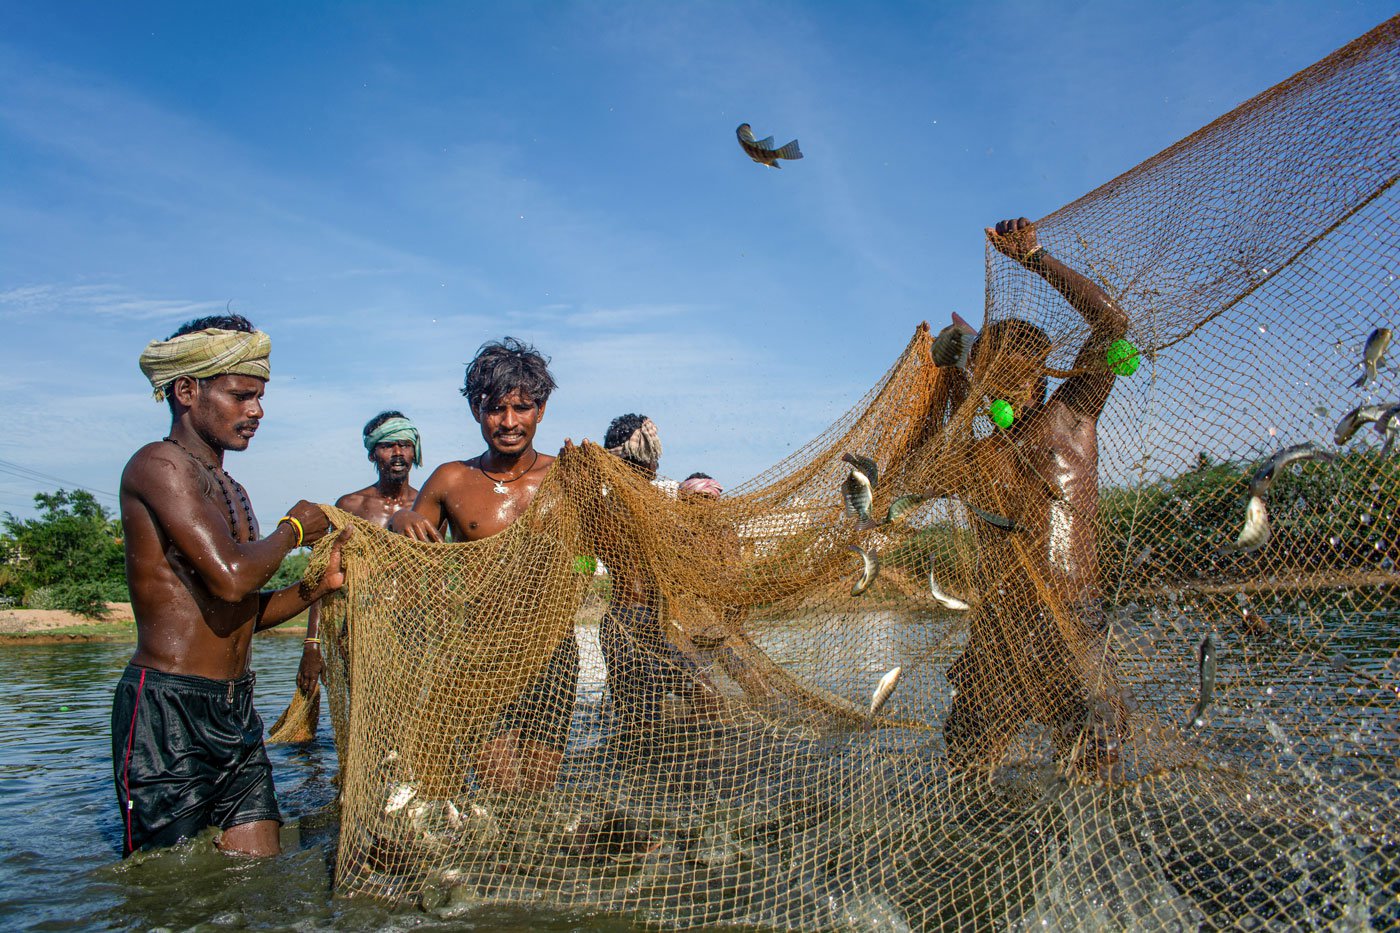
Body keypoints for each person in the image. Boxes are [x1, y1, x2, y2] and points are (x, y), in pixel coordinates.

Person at [115, 314, 347, 857]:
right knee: (168, 887)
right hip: (169, 706)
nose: (257, 412)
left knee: (256, 871)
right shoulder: (158, 465)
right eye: (242, 396)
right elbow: (230, 575)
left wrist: (319, 585)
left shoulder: (231, 486)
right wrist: (293, 530)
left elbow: (243, 610)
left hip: (235, 706)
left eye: (260, 397)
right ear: (188, 390)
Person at [937, 217, 1131, 777]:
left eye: (1013, 363)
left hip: (1071, 623)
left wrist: (1035, 257)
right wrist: (952, 375)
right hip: (998, 632)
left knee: (1096, 759)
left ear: (1039, 373)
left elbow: (1114, 326)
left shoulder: (1070, 416)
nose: (999, 373)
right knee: (966, 767)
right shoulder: (972, 454)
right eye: (987, 363)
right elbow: (908, 476)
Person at [389, 338, 576, 792]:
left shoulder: (567, 476)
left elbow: (608, 545)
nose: (509, 422)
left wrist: (585, 566)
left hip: (552, 650)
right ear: (477, 409)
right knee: (500, 788)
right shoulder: (452, 479)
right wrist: (400, 519)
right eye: (496, 409)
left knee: (538, 792)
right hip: (477, 652)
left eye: (522, 408)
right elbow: (406, 549)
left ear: (541, 410)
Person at [596, 415, 721, 741]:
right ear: (637, 459)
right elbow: (586, 556)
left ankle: (684, 768)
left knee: (707, 698)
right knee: (642, 725)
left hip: (656, 623)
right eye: (651, 453)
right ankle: (633, 782)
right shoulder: (612, 507)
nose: (657, 461)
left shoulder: (652, 505)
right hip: (627, 624)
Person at [296, 411, 422, 696]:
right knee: (364, 712)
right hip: (360, 628)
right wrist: (311, 645)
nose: (398, 453)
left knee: (411, 715)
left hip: (415, 628)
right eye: (388, 445)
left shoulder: (425, 504)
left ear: (415, 450)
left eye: (405, 444)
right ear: (372, 454)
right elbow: (324, 573)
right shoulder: (352, 505)